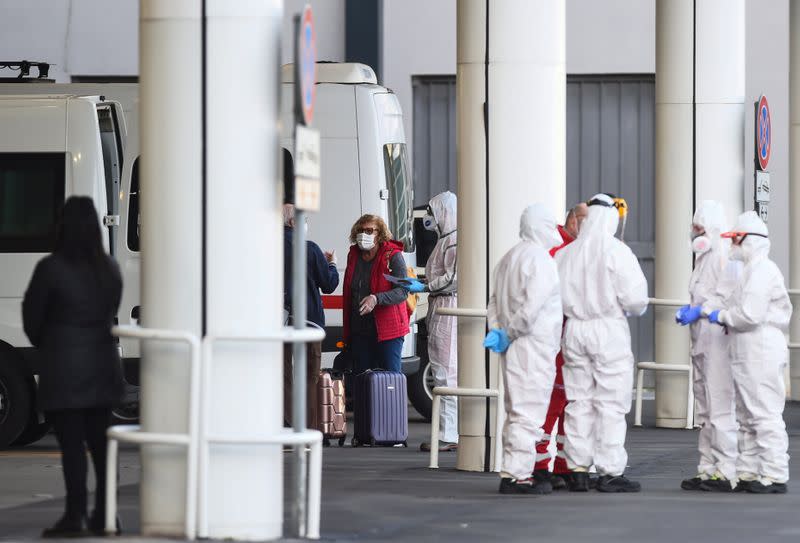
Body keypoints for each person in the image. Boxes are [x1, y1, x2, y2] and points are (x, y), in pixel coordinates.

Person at [22, 197, 124, 537]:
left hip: (64, 371)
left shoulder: (50, 268)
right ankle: (107, 515)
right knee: (101, 447)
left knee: (72, 448)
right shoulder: (109, 267)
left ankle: (76, 515)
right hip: (104, 368)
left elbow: (32, 320)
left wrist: (51, 341)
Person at [692, 211, 791, 494]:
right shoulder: (750, 269)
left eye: (736, 239)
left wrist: (719, 315)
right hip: (746, 347)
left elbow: (749, 314)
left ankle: (773, 473)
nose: (732, 244)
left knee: (763, 411)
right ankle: (749, 471)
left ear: (750, 240)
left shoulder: (763, 271)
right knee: (747, 413)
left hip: (760, 345)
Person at [556, 193, 648, 493]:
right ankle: (609, 471)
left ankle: (578, 467)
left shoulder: (565, 254)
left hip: (574, 331)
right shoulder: (616, 251)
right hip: (608, 331)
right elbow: (636, 301)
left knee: (579, 401)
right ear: (611, 217)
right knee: (611, 402)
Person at [484, 203, 564, 495]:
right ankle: (518, 476)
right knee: (527, 413)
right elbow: (532, 308)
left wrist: (498, 331)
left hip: (513, 346)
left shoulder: (508, 258)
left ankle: (514, 470)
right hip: (533, 346)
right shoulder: (541, 261)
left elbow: (492, 301)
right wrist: (511, 331)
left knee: (516, 409)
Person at [674, 201, 739, 492]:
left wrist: (699, 311)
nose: (694, 233)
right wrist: (691, 310)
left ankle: (725, 470)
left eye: (698, 228)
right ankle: (708, 468)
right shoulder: (704, 258)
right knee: (705, 409)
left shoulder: (723, 257)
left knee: (719, 406)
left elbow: (725, 298)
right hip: (702, 340)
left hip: (717, 340)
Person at [532, 203, 587, 489]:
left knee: (571, 406)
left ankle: (564, 465)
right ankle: (540, 464)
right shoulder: (557, 252)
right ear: (575, 221)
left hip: (571, 342)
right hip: (556, 341)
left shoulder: (571, 250)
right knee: (551, 405)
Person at [406, 192, 459, 453]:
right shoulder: (447, 240)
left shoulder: (453, 242)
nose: (430, 218)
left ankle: (449, 434)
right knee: (444, 371)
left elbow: (453, 278)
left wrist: (427, 284)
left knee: (445, 373)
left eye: (433, 211)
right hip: (442, 307)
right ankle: (448, 431)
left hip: (448, 307)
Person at [282, 204, 339, 429]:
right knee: (309, 375)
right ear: (294, 222)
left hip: (280, 322)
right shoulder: (310, 249)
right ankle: (308, 425)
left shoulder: (266, 245)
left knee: (283, 374)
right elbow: (329, 284)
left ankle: (286, 424)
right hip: (309, 321)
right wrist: (332, 264)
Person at [343, 214, 409, 373]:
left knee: (390, 380)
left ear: (379, 234)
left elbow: (403, 290)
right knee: (362, 380)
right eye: (360, 230)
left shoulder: (392, 255)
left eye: (369, 230)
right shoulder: (353, 255)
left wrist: (376, 298)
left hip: (388, 331)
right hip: (360, 331)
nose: (363, 235)